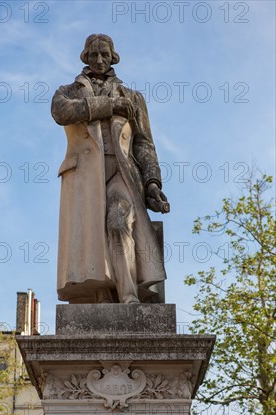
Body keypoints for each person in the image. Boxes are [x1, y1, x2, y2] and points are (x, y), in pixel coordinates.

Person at [51, 34, 169, 304]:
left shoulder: (132, 97)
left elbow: (144, 143)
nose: (99, 59)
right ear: (85, 57)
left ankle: (128, 294)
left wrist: (153, 183)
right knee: (91, 236)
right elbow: (61, 112)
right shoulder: (68, 92)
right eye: (93, 54)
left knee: (118, 223)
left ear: (113, 57)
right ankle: (100, 291)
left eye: (105, 54)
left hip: (123, 171)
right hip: (84, 174)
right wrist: (109, 106)